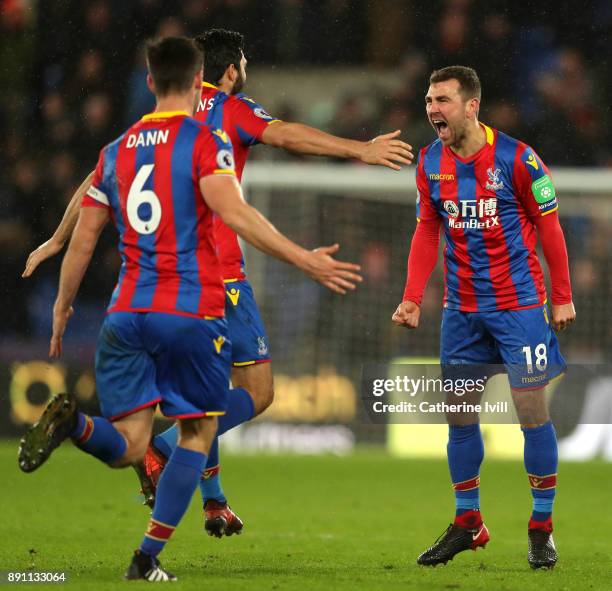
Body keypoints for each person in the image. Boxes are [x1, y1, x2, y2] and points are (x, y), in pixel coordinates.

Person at [22, 28, 413, 535]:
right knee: (256, 390)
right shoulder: (228, 110)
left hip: (143, 288)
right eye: (243, 63)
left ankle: (212, 501)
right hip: (216, 277)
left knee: (201, 391)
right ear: (230, 71)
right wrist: (358, 149)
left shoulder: (148, 125)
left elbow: (97, 180)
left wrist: (58, 237)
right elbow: (289, 134)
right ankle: (164, 455)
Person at [392, 66, 575, 569]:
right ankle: (468, 521)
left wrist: (562, 296)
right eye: (429, 101)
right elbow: (427, 230)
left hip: (519, 309)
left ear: (472, 105)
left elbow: (552, 230)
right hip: (461, 313)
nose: (433, 110)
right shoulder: (430, 162)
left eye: (443, 101)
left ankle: (541, 529)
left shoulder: (520, 158)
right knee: (459, 418)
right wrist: (411, 296)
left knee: (531, 415)